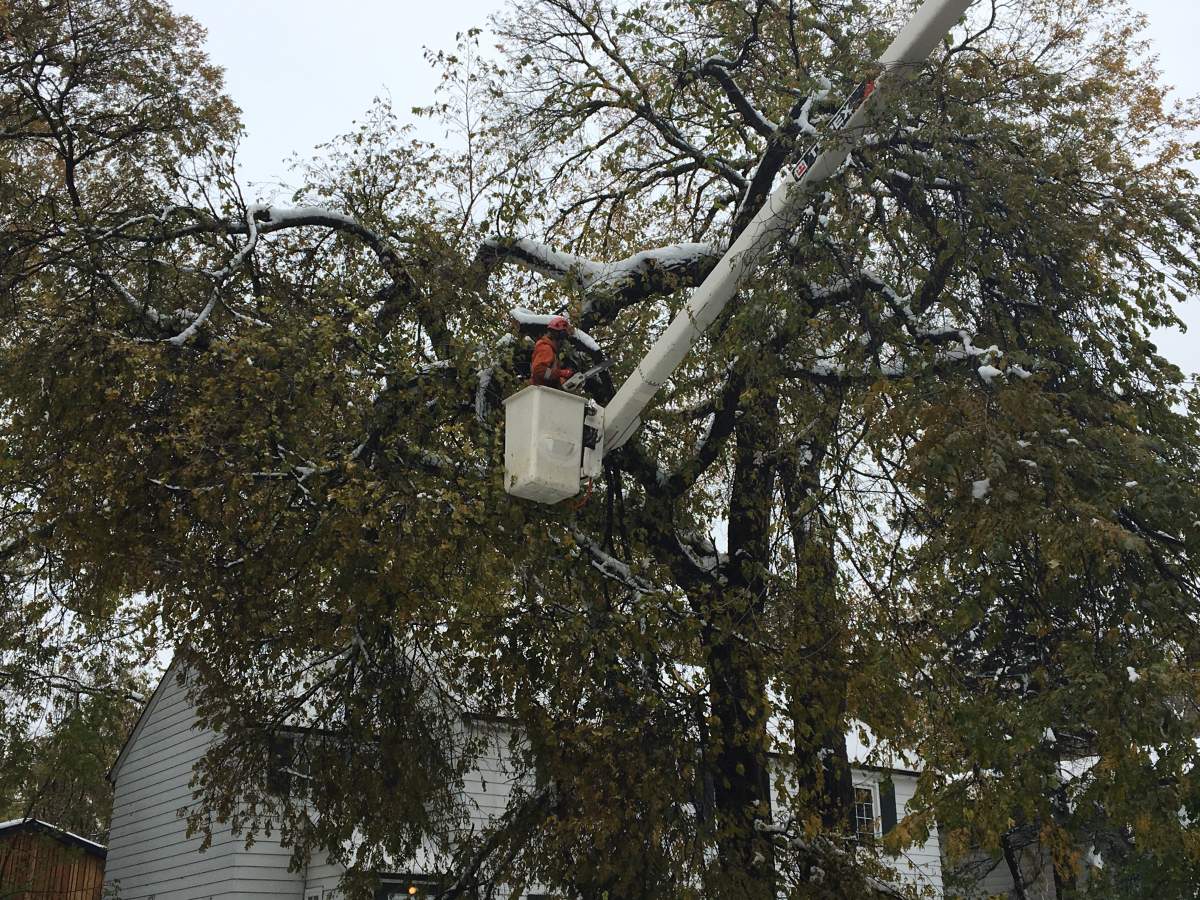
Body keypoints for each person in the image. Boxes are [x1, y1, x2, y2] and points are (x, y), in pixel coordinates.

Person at [529, 315, 575, 389]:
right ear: (558, 335)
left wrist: (560, 380)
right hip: (542, 392)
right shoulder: (546, 348)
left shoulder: (550, 350)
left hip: (545, 391)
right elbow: (539, 371)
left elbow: (549, 375)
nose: (563, 342)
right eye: (563, 338)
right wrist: (561, 373)